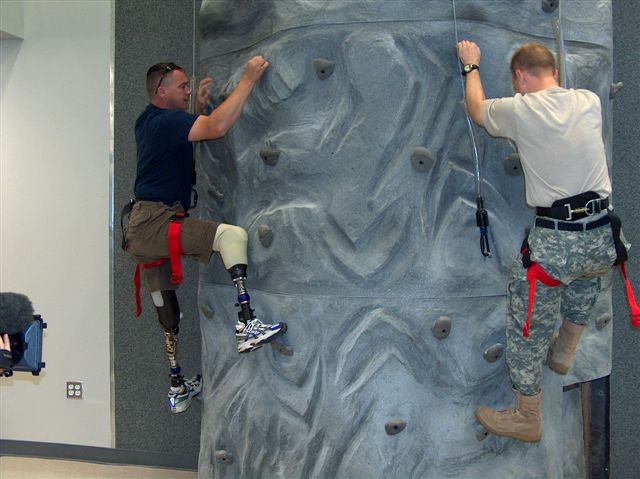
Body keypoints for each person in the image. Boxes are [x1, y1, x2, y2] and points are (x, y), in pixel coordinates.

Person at [457, 41, 623, 442]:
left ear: (520, 77)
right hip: (604, 235)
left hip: (557, 242)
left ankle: (526, 416)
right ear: (555, 74)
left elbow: (477, 110)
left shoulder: (522, 109)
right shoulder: (588, 101)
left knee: (527, 324)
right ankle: (564, 354)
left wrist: (471, 66)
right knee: (586, 281)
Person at [123, 56, 287, 414]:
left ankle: (177, 385)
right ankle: (247, 323)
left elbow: (184, 135)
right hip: (155, 222)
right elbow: (216, 127)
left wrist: (194, 105)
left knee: (167, 311)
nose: (187, 90)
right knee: (231, 237)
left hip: (141, 230)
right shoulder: (164, 120)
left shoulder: (150, 121)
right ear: (160, 90)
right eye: (182, 87)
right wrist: (248, 79)